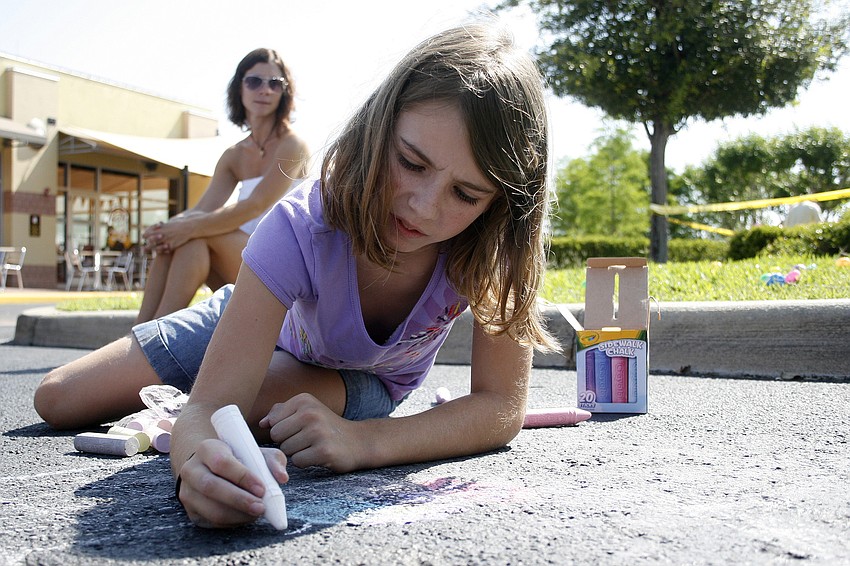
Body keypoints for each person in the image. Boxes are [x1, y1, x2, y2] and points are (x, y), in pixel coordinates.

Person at [33, 22, 558, 529]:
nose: (422, 207)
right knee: (59, 398)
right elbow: (212, 408)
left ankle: (188, 395)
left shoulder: (491, 254)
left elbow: (500, 406)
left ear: (502, 204)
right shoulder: (303, 225)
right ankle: (193, 387)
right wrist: (193, 458)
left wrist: (364, 442)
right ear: (380, 127)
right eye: (411, 163)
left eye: (465, 194)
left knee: (256, 406)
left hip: (360, 382)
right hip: (254, 315)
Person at [136, 47, 310, 323]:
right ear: (239, 87)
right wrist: (164, 232)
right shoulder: (234, 155)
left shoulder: (293, 145)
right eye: (254, 81)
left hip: (285, 268)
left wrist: (184, 227)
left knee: (195, 232)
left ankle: (149, 338)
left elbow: (255, 205)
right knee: (184, 240)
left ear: (284, 93)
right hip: (241, 260)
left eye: (274, 84)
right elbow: (203, 209)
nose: (264, 90)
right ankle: (141, 330)